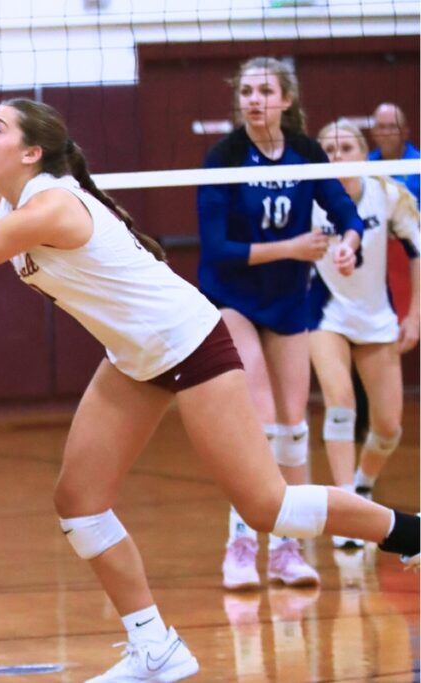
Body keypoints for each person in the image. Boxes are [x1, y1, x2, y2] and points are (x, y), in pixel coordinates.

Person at [0, 96, 420, 683]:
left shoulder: (51, 208)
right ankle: (155, 647)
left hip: (192, 342)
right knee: (79, 502)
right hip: (134, 357)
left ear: (31, 153)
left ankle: (409, 533)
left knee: (266, 507)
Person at [197, 57, 366, 590]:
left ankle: (287, 550)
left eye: (265, 91)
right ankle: (240, 544)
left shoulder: (307, 153)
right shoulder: (222, 157)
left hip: (290, 302)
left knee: (294, 425)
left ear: (286, 100)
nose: (253, 100)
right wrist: (292, 247)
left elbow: (346, 213)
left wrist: (349, 246)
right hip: (233, 299)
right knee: (262, 420)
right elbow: (218, 249)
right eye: (245, 91)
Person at [309, 118, 420, 548]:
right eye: (329, 150)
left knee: (389, 427)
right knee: (340, 405)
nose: (337, 158)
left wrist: (415, 316)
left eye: (347, 149)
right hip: (323, 315)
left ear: (363, 153)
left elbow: (417, 252)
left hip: (376, 318)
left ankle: (363, 483)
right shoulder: (307, 196)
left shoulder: (387, 191)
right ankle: (348, 514)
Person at [368, 103, 420, 204]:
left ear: (404, 132)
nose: (386, 133)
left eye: (393, 126)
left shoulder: (418, 163)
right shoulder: (366, 163)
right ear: (373, 133)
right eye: (381, 127)